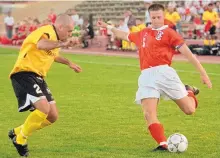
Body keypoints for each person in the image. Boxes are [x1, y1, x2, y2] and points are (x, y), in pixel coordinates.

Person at [97, 4, 212, 151]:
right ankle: (163, 144)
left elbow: (188, 54)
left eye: (159, 17)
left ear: (163, 16)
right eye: (153, 17)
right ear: (149, 17)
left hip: (164, 73)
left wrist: (203, 73)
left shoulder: (170, 33)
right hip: (146, 75)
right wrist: (107, 26)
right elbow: (123, 35)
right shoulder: (143, 32)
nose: (157, 20)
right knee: (148, 113)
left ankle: (188, 91)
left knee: (189, 110)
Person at [8, 14, 82, 157]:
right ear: (60, 27)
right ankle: (20, 139)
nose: (70, 34)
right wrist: (63, 44)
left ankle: (18, 131)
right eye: (69, 31)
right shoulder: (47, 31)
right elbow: (41, 45)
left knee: (52, 116)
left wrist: (69, 63)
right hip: (24, 73)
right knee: (44, 108)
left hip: (38, 77)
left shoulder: (56, 39)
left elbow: (52, 55)